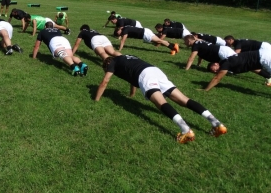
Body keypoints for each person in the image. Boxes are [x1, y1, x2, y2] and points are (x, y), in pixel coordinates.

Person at [95, 55, 227, 143]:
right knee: (184, 100)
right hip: (155, 71)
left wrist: (96, 101)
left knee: (161, 102)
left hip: (145, 76)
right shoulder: (125, 57)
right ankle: (217, 124)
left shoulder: (111, 62)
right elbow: (132, 78)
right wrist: (131, 94)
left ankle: (186, 130)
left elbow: (104, 82)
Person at [205, 50, 271, 91]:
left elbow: (217, 78)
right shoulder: (228, 61)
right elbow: (251, 67)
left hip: (264, 58)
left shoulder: (225, 64)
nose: (215, 72)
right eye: (213, 72)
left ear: (216, 64)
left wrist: (206, 89)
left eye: (213, 69)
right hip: (263, 53)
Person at [113, 25, 180, 54]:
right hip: (145, 31)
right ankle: (173, 47)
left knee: (159, 41)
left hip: (145, 34)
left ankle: (174, 46)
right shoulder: (124, 28)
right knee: (159, 41)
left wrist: (120, 49)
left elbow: (123, 40)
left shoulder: (124, 30)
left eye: (118, 33)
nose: (119, 34)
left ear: (119, 30)